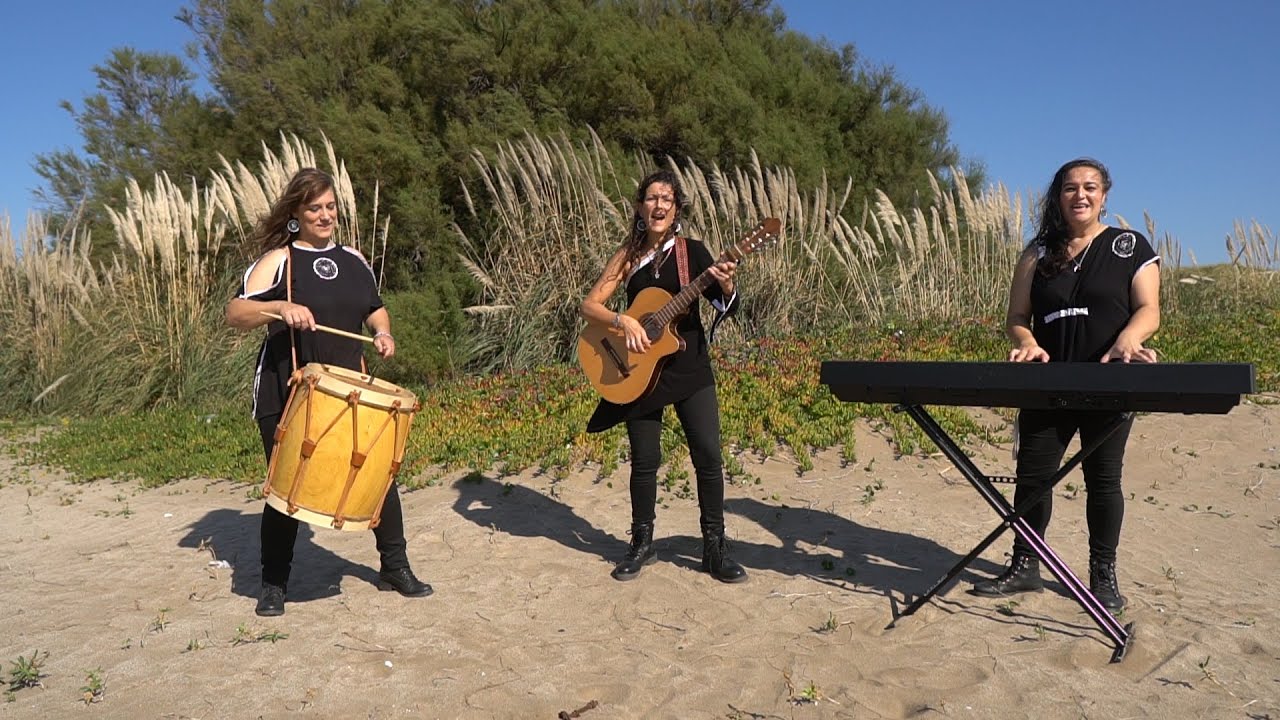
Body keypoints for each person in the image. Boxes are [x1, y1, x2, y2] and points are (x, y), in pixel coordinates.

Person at [226, 168, 432, 616]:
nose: (325, 215)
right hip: (288, 389)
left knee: (379, 476)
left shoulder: (354, 259)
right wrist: (280, 307)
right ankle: (274, 583)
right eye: (315, 208)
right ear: (296, 213)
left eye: (331, 206)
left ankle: (394, 566)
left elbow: (375, 308)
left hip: (349, 391)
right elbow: (236, 311)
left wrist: (383, 334)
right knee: (289, 484)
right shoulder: (280, 259)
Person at [971, 157, 1160, 611]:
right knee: (1033, 479)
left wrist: (1129, 341)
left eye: (1090, 187)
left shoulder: (1129, 246)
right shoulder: (1037, 253)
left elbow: (1148, 309)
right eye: (1071, 187)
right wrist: (1027, 341)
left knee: (1103, 480)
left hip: (1108, 381)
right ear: (1059, 196)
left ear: (1104, 196)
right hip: (1046, 384)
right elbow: (1017, 317)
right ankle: (1025, 566)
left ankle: (1102, 575)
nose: (1081, 195)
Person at [580, 168, 747, 584]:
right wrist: (625, 322)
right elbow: (589, 307)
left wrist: (726, 287)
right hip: (638, 371)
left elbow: (727, 306)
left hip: (689, 368)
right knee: (644, 462)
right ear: (640, 207)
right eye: (651, 198)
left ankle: (714, 548)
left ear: (676, 210)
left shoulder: (695, 253)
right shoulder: (628, 256)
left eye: (666, 200)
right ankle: (641, 543)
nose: (658, 206)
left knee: (708, 456)